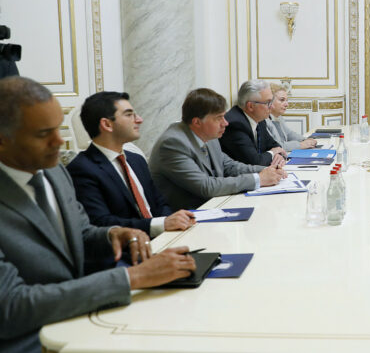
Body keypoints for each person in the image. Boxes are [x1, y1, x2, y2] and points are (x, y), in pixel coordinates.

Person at [0, 77, 195, 352]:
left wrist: (113, 234)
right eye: (44, 134)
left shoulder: (54, 171)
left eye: (58, 128)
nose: (60, 141)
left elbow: (80, 232)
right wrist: (133, 277)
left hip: (81, 316)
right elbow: (11, 307)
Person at [67, 92, 195, 239]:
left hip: (165, 239)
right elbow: (102, 222)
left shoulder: (136, 160)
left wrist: (173, 224)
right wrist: (161, 224)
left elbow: (160, 203)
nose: (139, 120)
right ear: (107, 124)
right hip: (128, 248)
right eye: (129, 115)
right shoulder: (82, 169)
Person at [149, 88, 286, 209]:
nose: (225, 123)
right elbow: (206, 186)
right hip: (185, 216)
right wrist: (258, 179)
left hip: (212, 205)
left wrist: (268, 170)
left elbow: (229, 166)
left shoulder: (209, 135)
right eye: (218, 118)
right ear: (197, 122)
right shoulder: (173, 144)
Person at [219, 80, 287, 166]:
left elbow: (275, 145)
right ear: (250, 106)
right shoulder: (235, 124)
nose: (272, 106)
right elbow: (255, 162)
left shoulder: (259, 119)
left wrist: (279, 155)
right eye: (268, 102)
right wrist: (273, 153)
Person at [266, 83, 318, 151]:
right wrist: (301, 145)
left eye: (287, 100)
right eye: (282, 100)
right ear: (269, 101)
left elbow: (289, 134)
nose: (286, 104)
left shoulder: (279, 117)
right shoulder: (264, 121)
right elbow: (278, 146)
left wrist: (305, 140)